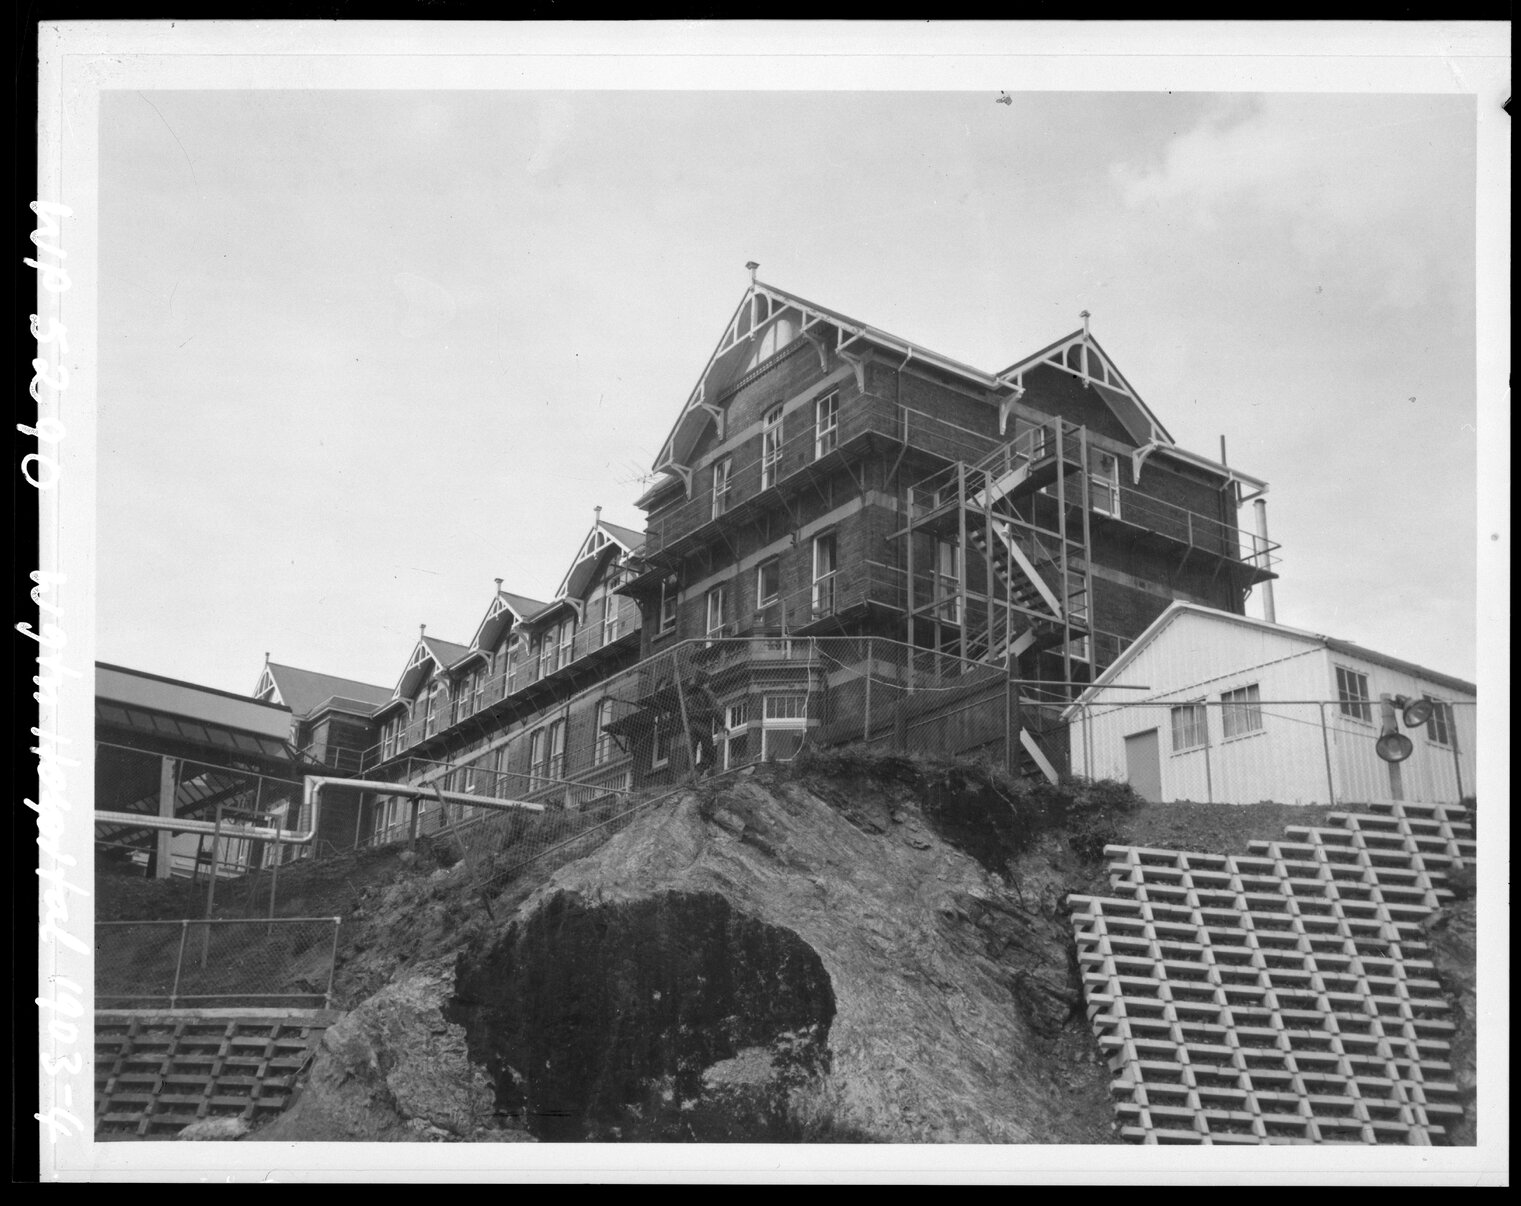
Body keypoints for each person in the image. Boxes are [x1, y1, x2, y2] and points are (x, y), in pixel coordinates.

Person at [685, 670, 721, 776]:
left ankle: (689, 774)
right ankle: (700, 771)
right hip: (703, 724)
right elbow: (714, 710)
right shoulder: (706, 692)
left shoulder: (689, 695)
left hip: (692, 725)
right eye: (708, 682)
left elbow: (686, 710)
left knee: (691, 751)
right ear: (705, 683)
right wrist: (723, 724)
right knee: (709, 754)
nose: (709, 684)